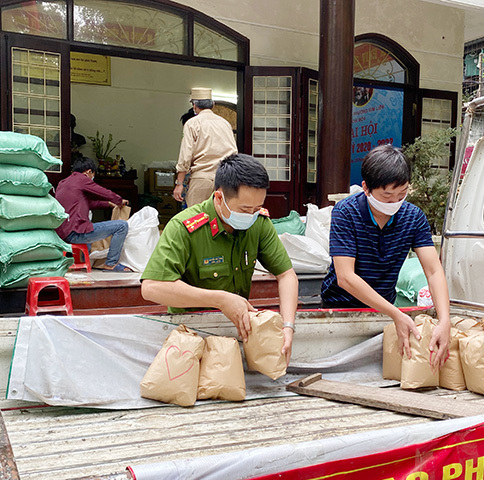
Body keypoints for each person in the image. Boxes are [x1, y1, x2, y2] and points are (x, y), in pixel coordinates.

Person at [142, 153, 298, 360]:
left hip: (236, 334)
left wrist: (288, 326)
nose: (250, 215)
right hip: (189, 337)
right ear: (219, 197)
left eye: (256, 208)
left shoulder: (258, 223)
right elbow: (152, 287)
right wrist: (220, 299)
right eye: (244, 209)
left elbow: (286, 275)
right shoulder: (184, 227)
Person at [320, 145, 451, 368]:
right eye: (387, 195)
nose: (394, 203)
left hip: (385, 310)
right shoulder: (345, 212)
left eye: (402, 194)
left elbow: (433, 270)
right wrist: (396, 314)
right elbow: (345, 277)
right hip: (340, 310)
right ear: (366, 188)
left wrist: (445, 320)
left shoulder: (413, 217)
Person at [54, 156, 132, 272]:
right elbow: (103, 192)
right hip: (76, 232)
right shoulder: (82, 179)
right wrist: (119, 201)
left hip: (62, 233)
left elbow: (88, 203)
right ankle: (111, 264)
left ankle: (80, 264)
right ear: (89, 172)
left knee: (88, 241)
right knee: (122, 226)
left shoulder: (63, 183)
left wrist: (108, 204)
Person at [173, 87, 237, 207]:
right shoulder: (225, 123)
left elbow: (185, 156)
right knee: (221, 218)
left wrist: (179, 183)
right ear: (212, 104)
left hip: (202, 178)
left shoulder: (192, 123)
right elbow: (234, 153)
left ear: (194, 106)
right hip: (225, 179)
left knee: (197, 219)